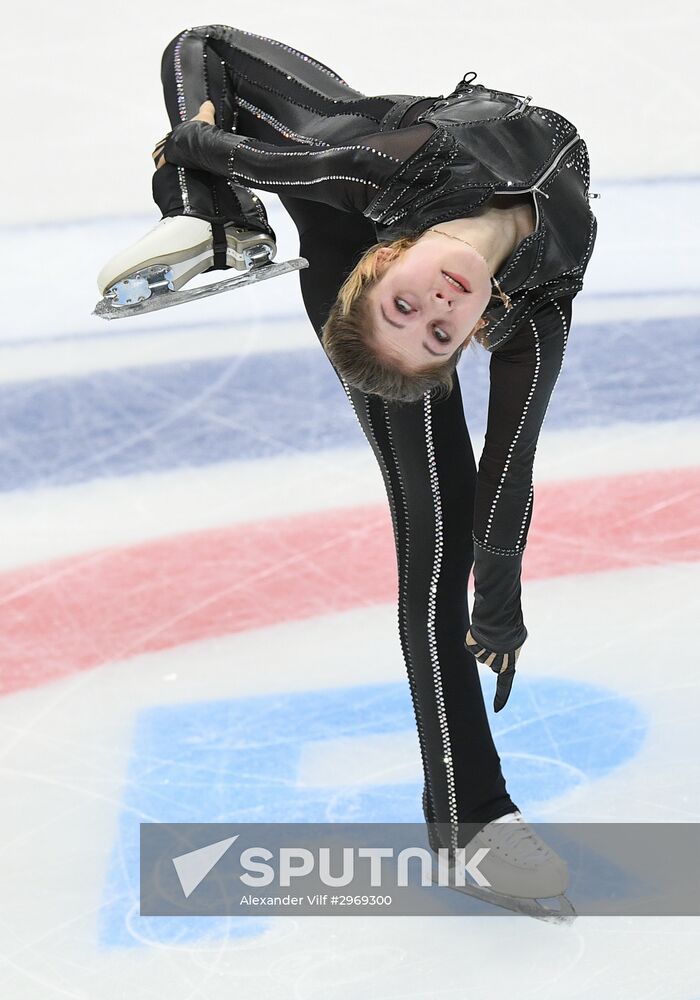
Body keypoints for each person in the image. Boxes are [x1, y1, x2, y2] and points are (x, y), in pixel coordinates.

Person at [97, 24, 598, 898]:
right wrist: (495, 611)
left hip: (365, 181)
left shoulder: (393, 181)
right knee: (436, 544)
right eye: (434, 329)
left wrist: (191, 172)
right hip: (349, 258)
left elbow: (509, 470)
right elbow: (501, 473)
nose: (436, 307)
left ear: (394, 258)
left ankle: (217, 223)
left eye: (422, 317)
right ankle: (471, 820)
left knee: (215, 53)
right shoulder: (524, 285)